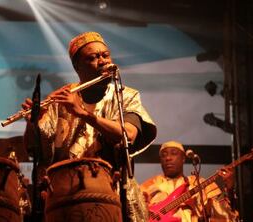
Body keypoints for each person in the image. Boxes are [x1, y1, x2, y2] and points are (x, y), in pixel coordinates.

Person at [22, 31, 157, 221]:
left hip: (113, 193)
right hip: (66, 197)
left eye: (105, 55)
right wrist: (33, 123)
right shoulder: (61, 99)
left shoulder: (126, 96)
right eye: (93, 58)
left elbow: (129, 135)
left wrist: (84, 114)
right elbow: (36, 151)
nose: (102, 61)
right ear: (77, 67)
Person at [140, 140, 239, 222]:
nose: (168, 158)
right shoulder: (150, 185)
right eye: (163, 155)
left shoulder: (199, 183)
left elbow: (223, 213)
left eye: (174, 153)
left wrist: (229, 189)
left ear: (183, 158)